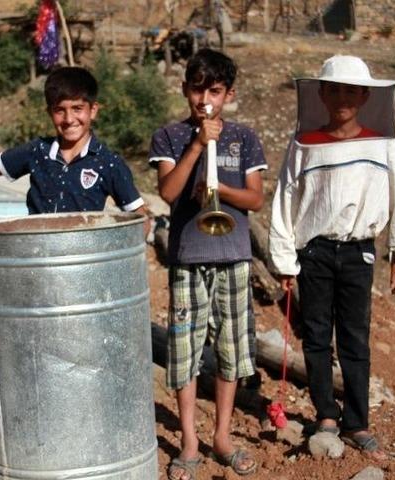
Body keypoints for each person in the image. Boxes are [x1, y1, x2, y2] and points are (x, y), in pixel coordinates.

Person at [268, 55, 395, 461]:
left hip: (359, 252)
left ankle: (357, 421)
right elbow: (286, 198)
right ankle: (325, 414)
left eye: (350, 90)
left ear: (364, 95)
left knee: (355, 338)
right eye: (333, 89)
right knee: (317, 336)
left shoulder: (384, 143)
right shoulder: (304, 143)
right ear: (321, 93)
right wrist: (284, 260)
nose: (341, 97)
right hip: (315, 252)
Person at [149, 48, 266, 480]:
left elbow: (255, 197)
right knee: (184, 352)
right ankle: (189, 441)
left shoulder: (244, 138)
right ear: (185, 90)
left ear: (229, 93)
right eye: (197, 89)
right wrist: (199, 144)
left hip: (233, 256)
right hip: (187, 258)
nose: (205, 100)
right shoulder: (169, 136)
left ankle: (222, 436)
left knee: (232, 351)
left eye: (215, 91)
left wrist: (220, 192)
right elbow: (167, 190)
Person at [0, 66, 147, 219]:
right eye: (59, 110)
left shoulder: (108, 163)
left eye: (77, 109)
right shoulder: (38, 151)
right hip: (38, 263)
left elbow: (140, 218)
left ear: (93, 110)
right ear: (49, 113)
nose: (69, 119)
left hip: (82, 269)